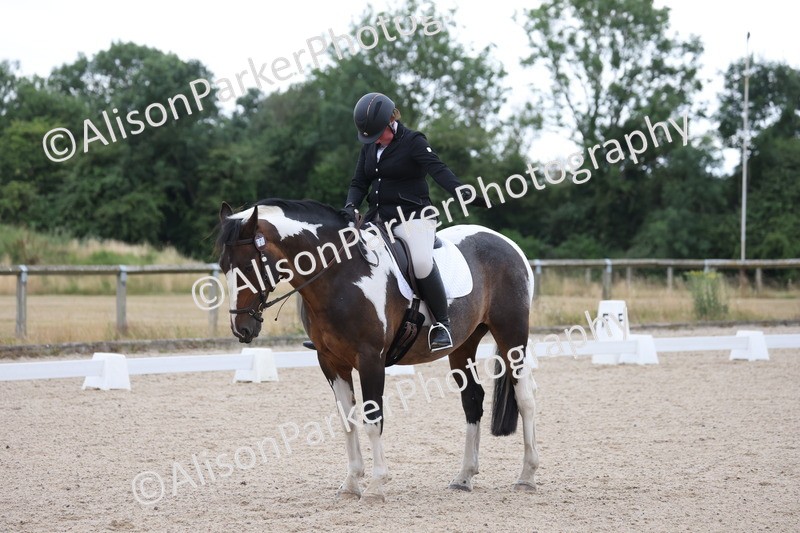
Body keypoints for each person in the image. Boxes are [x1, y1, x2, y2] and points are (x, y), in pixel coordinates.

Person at [340, 92, 473, 351]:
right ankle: (340, 328)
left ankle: (441, 324)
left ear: (392, 121)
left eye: (379, 133)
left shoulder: (413, 141)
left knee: (421, 262)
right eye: (371, 137)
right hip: (377, 220)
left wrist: (460, 190)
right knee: (349, 257)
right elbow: (359, 182)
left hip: (414, 218)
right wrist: (351, 205)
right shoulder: (369, 146)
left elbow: (438, 169)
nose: (376, 140)